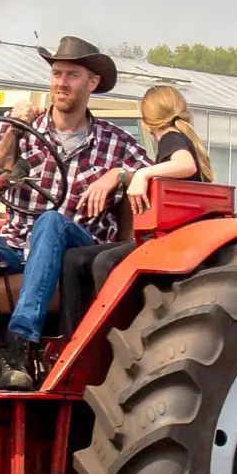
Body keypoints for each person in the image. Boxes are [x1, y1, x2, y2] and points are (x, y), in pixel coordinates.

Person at [0, 36, 152, 389]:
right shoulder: (25, 131)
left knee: (51, 222)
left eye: (71, 75)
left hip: (74, 250)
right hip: (17, 247)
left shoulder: (116, 142)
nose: (61, 83)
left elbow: (161, 173)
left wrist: (119, 175)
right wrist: (11, 127)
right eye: (56, 74)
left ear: (92, 82)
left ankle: (19, 344)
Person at [57, 85, 215, 334]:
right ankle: (72, 337)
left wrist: (143, 173)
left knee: (105, 262)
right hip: (162, 234)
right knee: (75, 259)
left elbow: (185, 165)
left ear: (145, 123)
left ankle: (112, 336)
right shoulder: (176, 137)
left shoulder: (172, 137)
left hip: (170, 236)